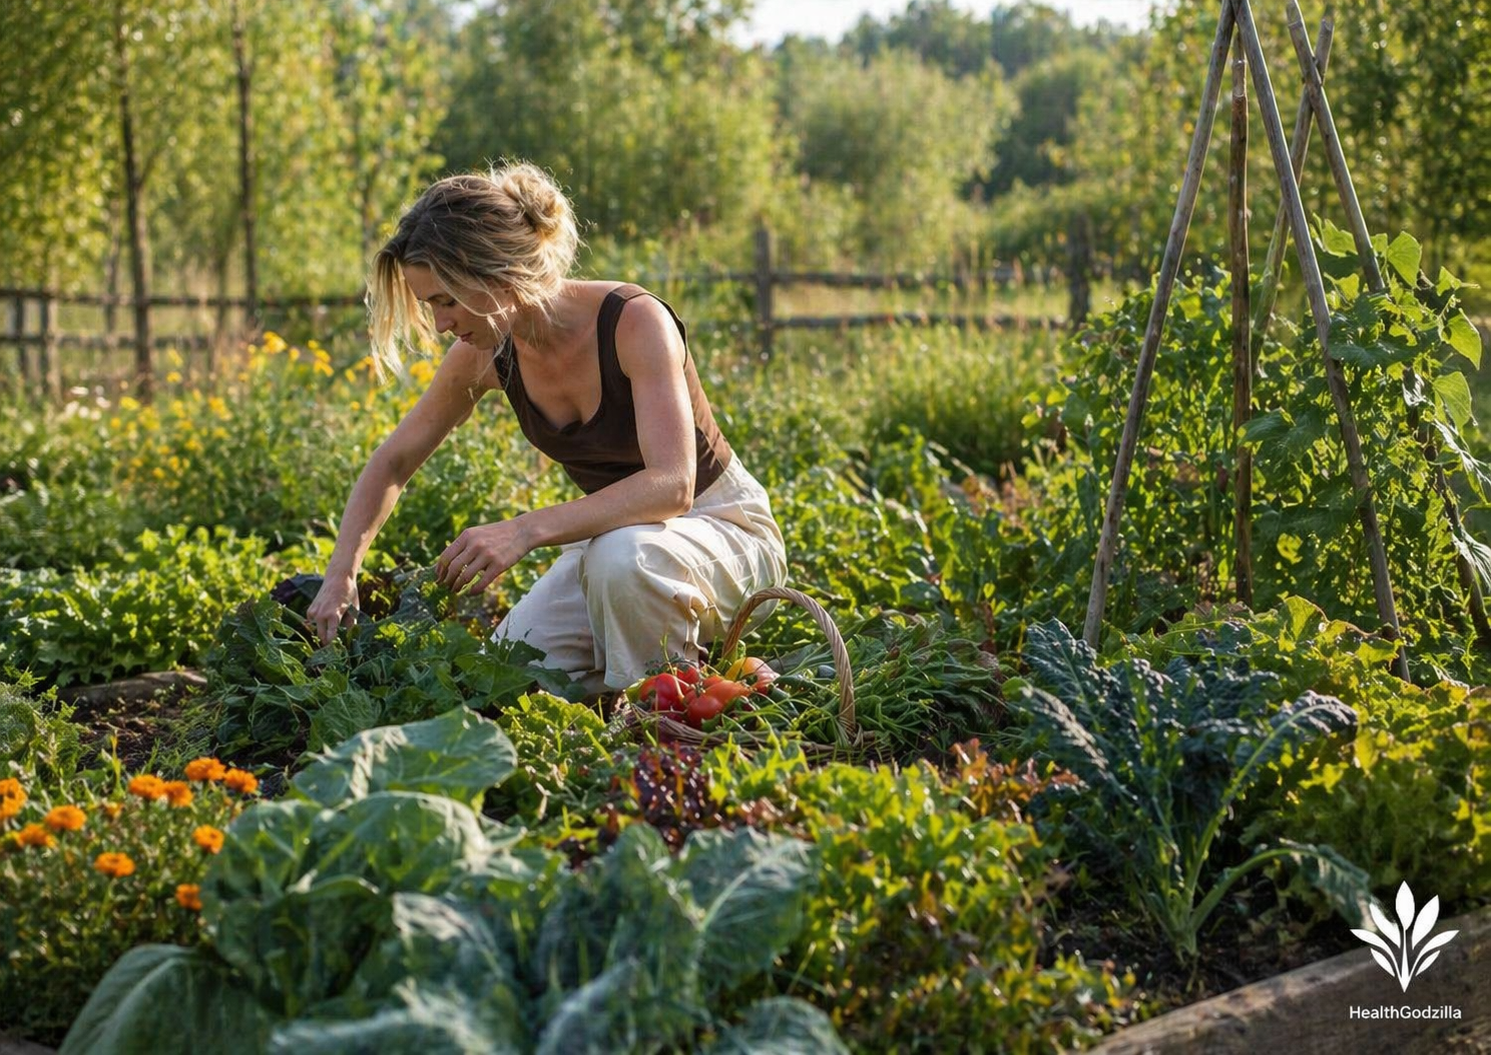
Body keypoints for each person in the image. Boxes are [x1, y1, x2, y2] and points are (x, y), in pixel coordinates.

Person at [305, 161, 788, 695]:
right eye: (430, 306)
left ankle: (663, 721)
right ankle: (703, 673)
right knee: (507, 675)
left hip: (722, 529)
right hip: (615, 545)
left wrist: (525, 530)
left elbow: (673, 486)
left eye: (445, 300)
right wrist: (340, 574)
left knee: (620, 562)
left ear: (492, 273)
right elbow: (393, 462)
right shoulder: (483, 353)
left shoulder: (633, 321)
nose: (441, 324)